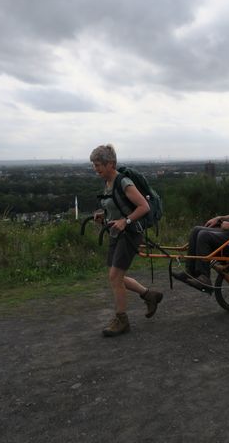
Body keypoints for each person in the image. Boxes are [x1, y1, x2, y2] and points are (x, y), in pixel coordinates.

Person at [90, 144, 163, 337]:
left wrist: (126, 221)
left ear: (111, 164)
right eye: (94, 165)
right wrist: (103, 216)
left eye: (99, 165)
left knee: (115, 277)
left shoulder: (123, 182)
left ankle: (122, 320)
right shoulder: (107, 183)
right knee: (116, 277)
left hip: (130, 233)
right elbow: (116, 208)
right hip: (117, 233)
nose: (95, 169)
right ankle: (149, 295)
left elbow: (144, 207)